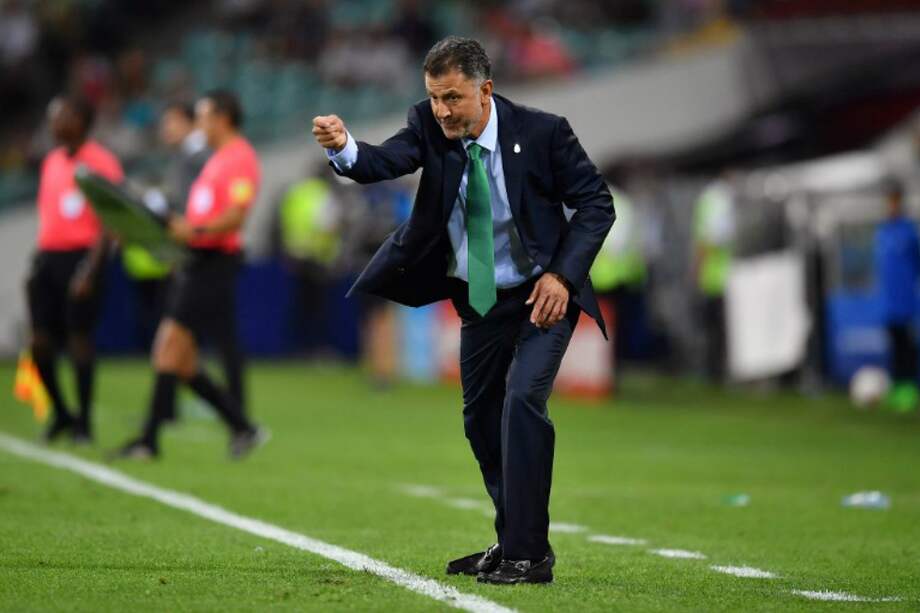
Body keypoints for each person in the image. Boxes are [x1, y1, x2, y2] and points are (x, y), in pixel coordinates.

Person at [312, 36, 614, 584]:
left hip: (540, 296)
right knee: (481, 424)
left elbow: (596, 203)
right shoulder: (428, 127)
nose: (442, 111)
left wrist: (562, 275)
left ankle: (528, 553)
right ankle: (513, 540)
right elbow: (385, 160)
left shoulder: (544, 132)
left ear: (486, 89)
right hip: (480, 303)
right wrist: (345, 148)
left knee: (521, 402)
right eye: (434, 98)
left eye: (452, 97)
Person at [116, 90, 264, 459]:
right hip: (197, 260)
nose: (199, 125)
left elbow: (237, 214)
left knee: (168, 348)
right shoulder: (217, 159)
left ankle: (149, 441)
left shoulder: (240, 157)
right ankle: (242, 426)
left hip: (213, 262)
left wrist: (194, 232)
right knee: (180, 360)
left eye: (203, 117)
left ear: (223, 117)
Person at [27, 95, 123, 444]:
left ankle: (83, 422)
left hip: (83, 257)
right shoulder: (52, 160)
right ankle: (61, 412)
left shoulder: (101, 161)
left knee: (79, 338)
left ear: (81, 120)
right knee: (39, 342)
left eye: (59, 117)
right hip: (48, 258)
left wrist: (91, 269)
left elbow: (111, 220)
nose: (52, 124)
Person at [875, 180, 920, 412]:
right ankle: (897, 389)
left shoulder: (909, 232)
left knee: (907, 348)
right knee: (894, 347)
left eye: (893, 200)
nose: (890, 205)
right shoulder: (882, 232)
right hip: (888, 304)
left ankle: (910, 391)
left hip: (907, 303)